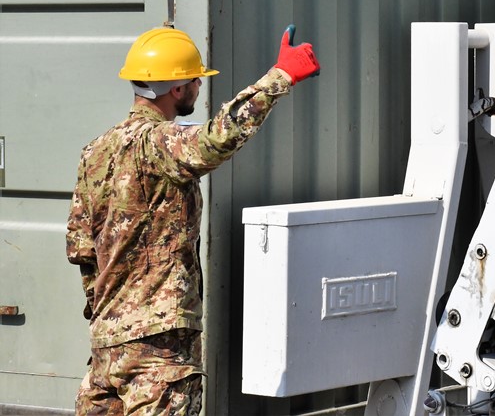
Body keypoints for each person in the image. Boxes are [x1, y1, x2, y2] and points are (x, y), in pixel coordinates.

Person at [66, 24, 320, 415]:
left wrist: (111, 323)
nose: (200, 88)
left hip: (106, 351)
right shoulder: (159, 143)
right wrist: (280, 77)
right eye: (196, 81)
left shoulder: (94, 152)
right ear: (177, 89)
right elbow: (217, 138)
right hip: (159, 351)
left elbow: (82, 250)